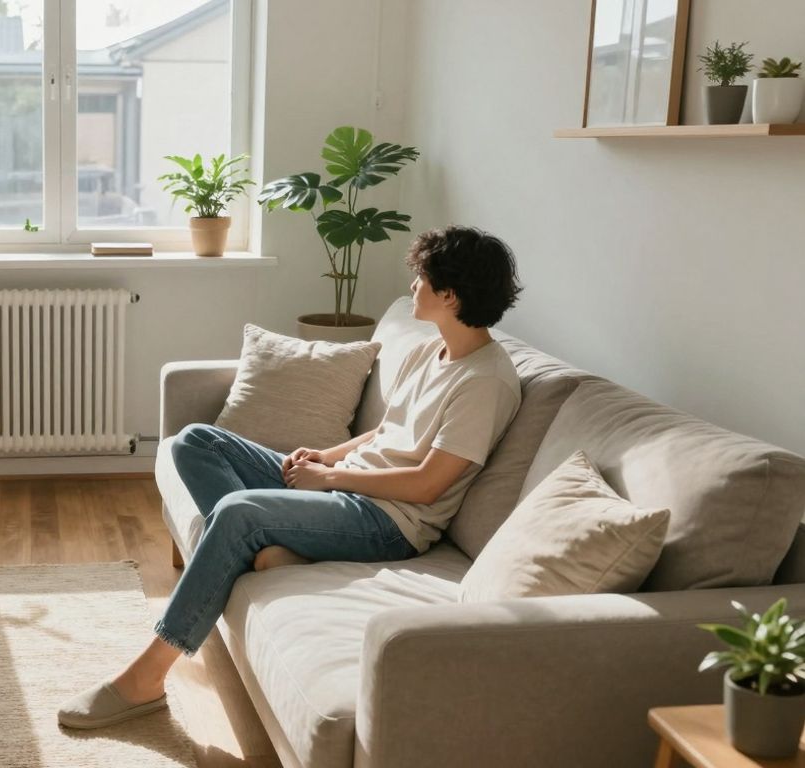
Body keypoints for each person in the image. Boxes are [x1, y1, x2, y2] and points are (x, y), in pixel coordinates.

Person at [57, 225, 525, 730]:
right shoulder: (428, 350)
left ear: (450, 294)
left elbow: (428, 485)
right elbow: (387, 431)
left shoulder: (485, 382)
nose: (413, 285)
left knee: (238, 513)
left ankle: (147, 677)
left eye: (422, 278)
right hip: (346, 485)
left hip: (389, 521)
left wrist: (331, 480)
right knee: (196, 440)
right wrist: (327, 455)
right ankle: (264, 547)